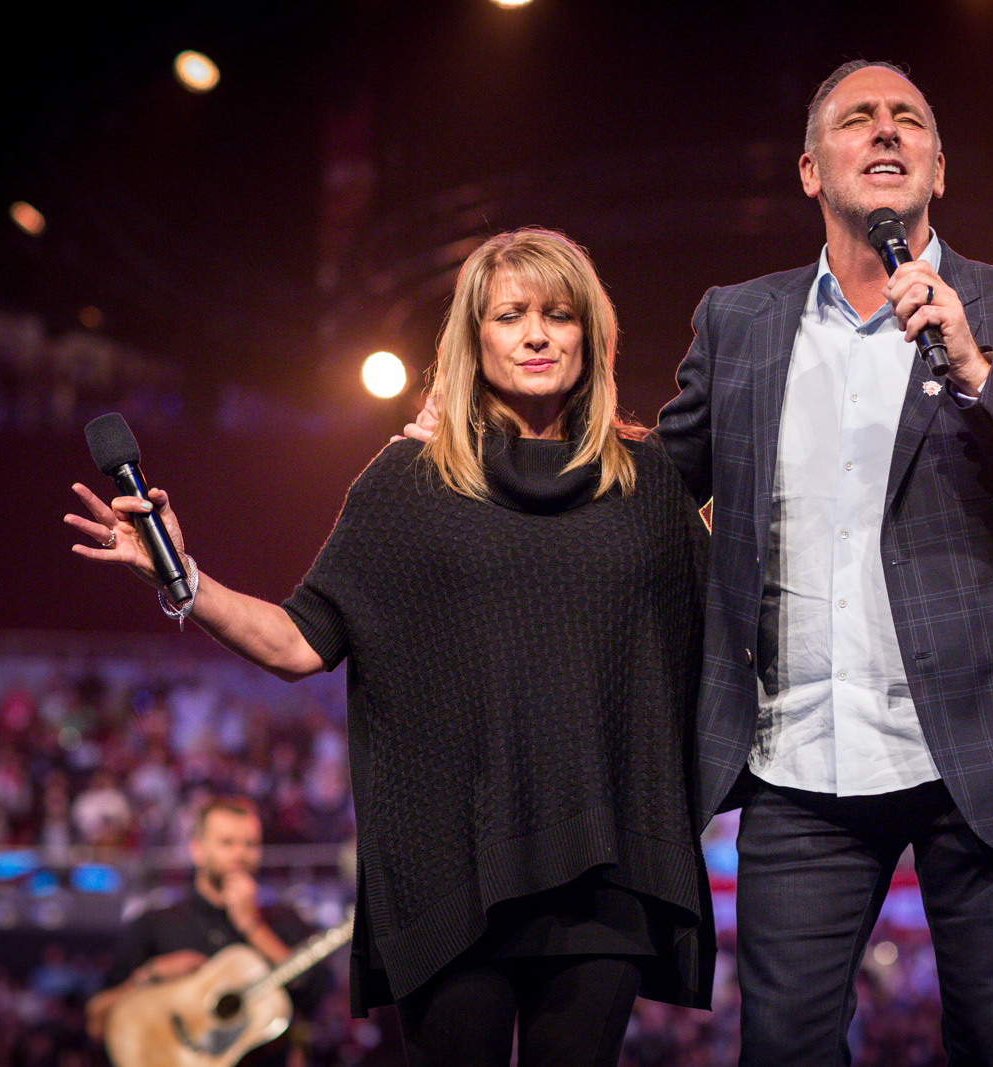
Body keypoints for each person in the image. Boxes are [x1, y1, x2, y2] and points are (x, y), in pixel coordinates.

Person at [407, 60, 993, 1066]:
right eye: (857, 119)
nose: (885, 132)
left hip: (987, 759)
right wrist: (496, 451)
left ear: (938, 166)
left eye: (908, 120)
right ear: (806, 168)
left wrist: (976, 368)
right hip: (801, 764)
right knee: (783, 1047)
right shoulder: (739, 320)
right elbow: (650, 489)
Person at [67, 227, 713, 1067]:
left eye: (559, 315)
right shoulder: (407, 481)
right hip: (449, 873)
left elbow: (721, 631)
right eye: (510, 314)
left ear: (592, 333)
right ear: (471, 339)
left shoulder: (646, 482)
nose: (536, 334)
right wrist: (181, 576)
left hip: (604, 869)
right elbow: (303, 638)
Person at [85, 796, 327, 1066]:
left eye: (250, 844)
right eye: (227, 843)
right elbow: (97, 1017)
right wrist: (150, 975)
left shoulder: (281, 920)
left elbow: (318, 993)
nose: (240, 854)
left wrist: (253, 927)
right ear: (197, 849)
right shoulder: (155, 923)